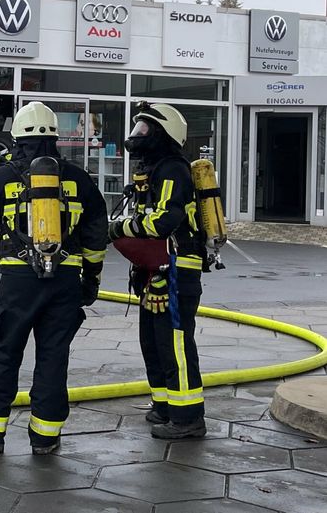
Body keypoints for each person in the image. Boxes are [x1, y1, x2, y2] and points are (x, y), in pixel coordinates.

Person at [0, 101, 107, 455]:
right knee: (54, 359)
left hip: (19, 281)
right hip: (66, 281)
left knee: (5, 354)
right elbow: (97, 237)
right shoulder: (79, 178)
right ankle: (45, 438)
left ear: (17, 136)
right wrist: (92, 280)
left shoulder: (4, 176)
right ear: (55, 136)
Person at [108, 102, 207, 440]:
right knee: (153, 342)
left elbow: (166, 220)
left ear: (164, 134)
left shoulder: (172, 170)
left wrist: (122, 228)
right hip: (157, 270)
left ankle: (188, 418)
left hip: (178, 269)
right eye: (137, 128)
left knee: (175, 343)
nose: (137, 137)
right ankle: (165, 406)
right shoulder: (153, 170)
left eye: (145, 130)